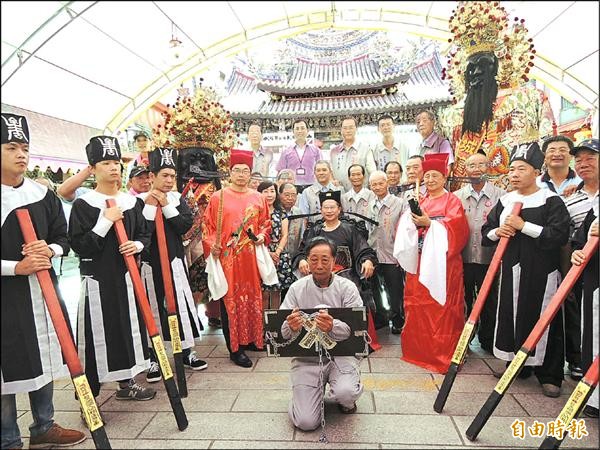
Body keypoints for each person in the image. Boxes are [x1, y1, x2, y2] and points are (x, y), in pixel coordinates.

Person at [1, 113, 86, 449]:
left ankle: (44, 425)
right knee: (6, 366)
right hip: (6, 294)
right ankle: (7, 437)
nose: (21, 154)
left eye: (25, 147)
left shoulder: (43, 193)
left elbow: (62, 237)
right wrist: (15, 268)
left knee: (45, 352)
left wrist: (48, 250)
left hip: (43, 292)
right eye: (11, 147)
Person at [69, 135, 156, 406]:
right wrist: (104, 222)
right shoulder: (84, 205)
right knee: (96, 337)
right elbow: (80, 246)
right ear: (92, 169)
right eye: (106, 162)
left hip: (128, 279)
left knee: (128, 329)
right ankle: (89, 397)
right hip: (99, 282)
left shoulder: (131, 202)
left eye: (116, 162)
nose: (113, 168)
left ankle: (127, 383)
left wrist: (138, 244)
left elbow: (145, 232)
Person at [481, 142, 570, 397]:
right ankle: (516, 364)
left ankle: (549, 374)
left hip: (542, 272)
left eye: (521, 169)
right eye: (511, 170)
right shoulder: (506, 200)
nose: (515, 174)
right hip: (512, 271)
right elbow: (486, 233)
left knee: (544, 319)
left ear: (536, 171)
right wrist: (499, 231)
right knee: (512, 314)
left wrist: (523, 226)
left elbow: (559, 235)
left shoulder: (550, 200)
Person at [440, 2, 554, 190]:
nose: (476, 73)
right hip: (467, 197)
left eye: (483, 65)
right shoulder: (452, 115)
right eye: (471, 68)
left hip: (518, 191)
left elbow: (548, 144)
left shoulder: (529, 98)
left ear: (498, 65)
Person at [393, 153, 469, 373]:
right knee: (417, 307)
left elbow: (458, 230)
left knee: (443, 309)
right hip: (419, 263)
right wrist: (411, 223)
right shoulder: (421, 200)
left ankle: (442, 355)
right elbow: (404, 229)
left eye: (435, 176)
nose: (430, 180)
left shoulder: (452, 201)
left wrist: (430, 224)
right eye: (427, 176)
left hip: (444, 266)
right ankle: (419, 352)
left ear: (444, 178)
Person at [139, 148, 207, 384]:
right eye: (164, 175)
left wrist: (166, 204)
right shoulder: (138, 201)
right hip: (150, 265)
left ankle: (186, 351)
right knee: (152, 308)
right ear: (152, 176)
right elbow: (141, 230)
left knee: (181, 307)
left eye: (172, 175)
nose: (168, 180)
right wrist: (151, 204)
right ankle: (154, 358)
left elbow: (183, 225)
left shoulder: (178, 199)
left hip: (175, 262)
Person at [281, 236, 364, 430]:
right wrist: (291, 326)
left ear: (334, 261)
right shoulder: (296, 288)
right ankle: (302, 399)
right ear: (307, 260)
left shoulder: (348, 288)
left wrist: (332, 326)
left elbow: (357, 328)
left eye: (325, 259)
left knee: (346, 392)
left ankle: (347, 401)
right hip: (307, 359)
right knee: (306, 423)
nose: (319, 265)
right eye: (314, 259)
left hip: (340, 356)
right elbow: (281, 332)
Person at [202, 149, 271, 368]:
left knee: (252, 296)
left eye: (245, 171)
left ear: (250, 174)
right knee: (230, 299)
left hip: (250, 259)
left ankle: (252, 339)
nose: (241, 174)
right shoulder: (218, 197)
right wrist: (211, 245)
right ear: (229, 173)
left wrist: (262, 235)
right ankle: (235, 348)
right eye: (236, 170)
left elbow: (265, 224)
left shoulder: (258, 197)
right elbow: (208, 227)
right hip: (228, 259)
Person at [454, 151, 505, 353]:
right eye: (472, 165)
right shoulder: (456, 197)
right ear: (465, 169)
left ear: (488, 167)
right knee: (463, 300)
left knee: (490, 300)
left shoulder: (501, 196)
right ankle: (464, 341)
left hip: (490, 258)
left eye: (481, 164)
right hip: (463, 257)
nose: (476, 169)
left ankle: (487, 339)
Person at [563, 138, 599, 381]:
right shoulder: (571, 199)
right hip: (587, 274)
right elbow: (572, 236)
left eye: (591, 158)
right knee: (589, 326)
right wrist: (576, 250)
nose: (583, 163)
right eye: (579, 159)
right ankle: (589, 385)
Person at [367, 171, 407, 333]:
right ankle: (382, 318)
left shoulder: (399, 203)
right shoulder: (369, 204)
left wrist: (402, 254)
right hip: (374, 254)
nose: (377, 187)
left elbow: (405, 231)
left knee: (395, 290)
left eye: (380, 183)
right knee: (375, 288)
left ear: (387, 183)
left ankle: (398, 319)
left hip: (392, 255)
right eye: (373, 184)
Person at [571, 204, 599, 418]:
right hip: (594, 279)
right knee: (592, 332)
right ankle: (593, 396)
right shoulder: (596, 208)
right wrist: (578, 253)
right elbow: (580, 240)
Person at [257, 181, 295, 309]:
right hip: (261, 253)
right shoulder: (256, 212)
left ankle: (274, 324)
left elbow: (285, 235)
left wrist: (277, 252)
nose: (269, 195)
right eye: (265, 191)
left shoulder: (281, 212)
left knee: (276, 291)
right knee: (264, 292)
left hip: (279, 254)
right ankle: (262, 325)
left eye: (272, 191)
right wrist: (268, 254)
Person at [330, 117, 376, 192]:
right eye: (345, 128)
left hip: (362, 195)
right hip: (340, 194)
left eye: (351, 128)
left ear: (356, 129)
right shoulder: (334, 151)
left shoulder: (365, 149)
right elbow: (330, 172)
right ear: (341, 130)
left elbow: (373, 172)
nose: (348, 131)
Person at [276, 119, 322, 187]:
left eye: (302, 128)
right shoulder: (286, 152)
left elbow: (321, 168)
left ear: (307, 131)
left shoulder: (316, 150)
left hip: (312, 186)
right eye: (297, 129)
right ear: (293, 132)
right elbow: (280, 171)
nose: (300, 131)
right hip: (292, 187)